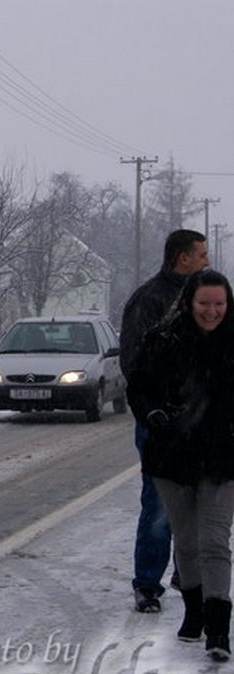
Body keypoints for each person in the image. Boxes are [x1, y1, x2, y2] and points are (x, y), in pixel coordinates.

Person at [127, 269, 233, 661]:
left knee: (214, 540)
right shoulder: (162, 342)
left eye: (219, 304)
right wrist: (154, 414)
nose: (212, 311)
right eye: (204, 303)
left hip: (223, 458)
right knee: (186, 542)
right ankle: (194, 611)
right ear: (189, 302)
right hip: (172, 457)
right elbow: (138, 386)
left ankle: (219, 629)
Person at [120, 229, 209, 613]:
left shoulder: (208, 301)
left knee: (200, 501)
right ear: (182, 258)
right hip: (161, 422)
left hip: (202, 421)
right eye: (201, 254)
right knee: (159, 503)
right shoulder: (150, 300)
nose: (207, 260)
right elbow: (133, 364)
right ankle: (147, 584)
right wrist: (153, 411)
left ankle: (187, 572)